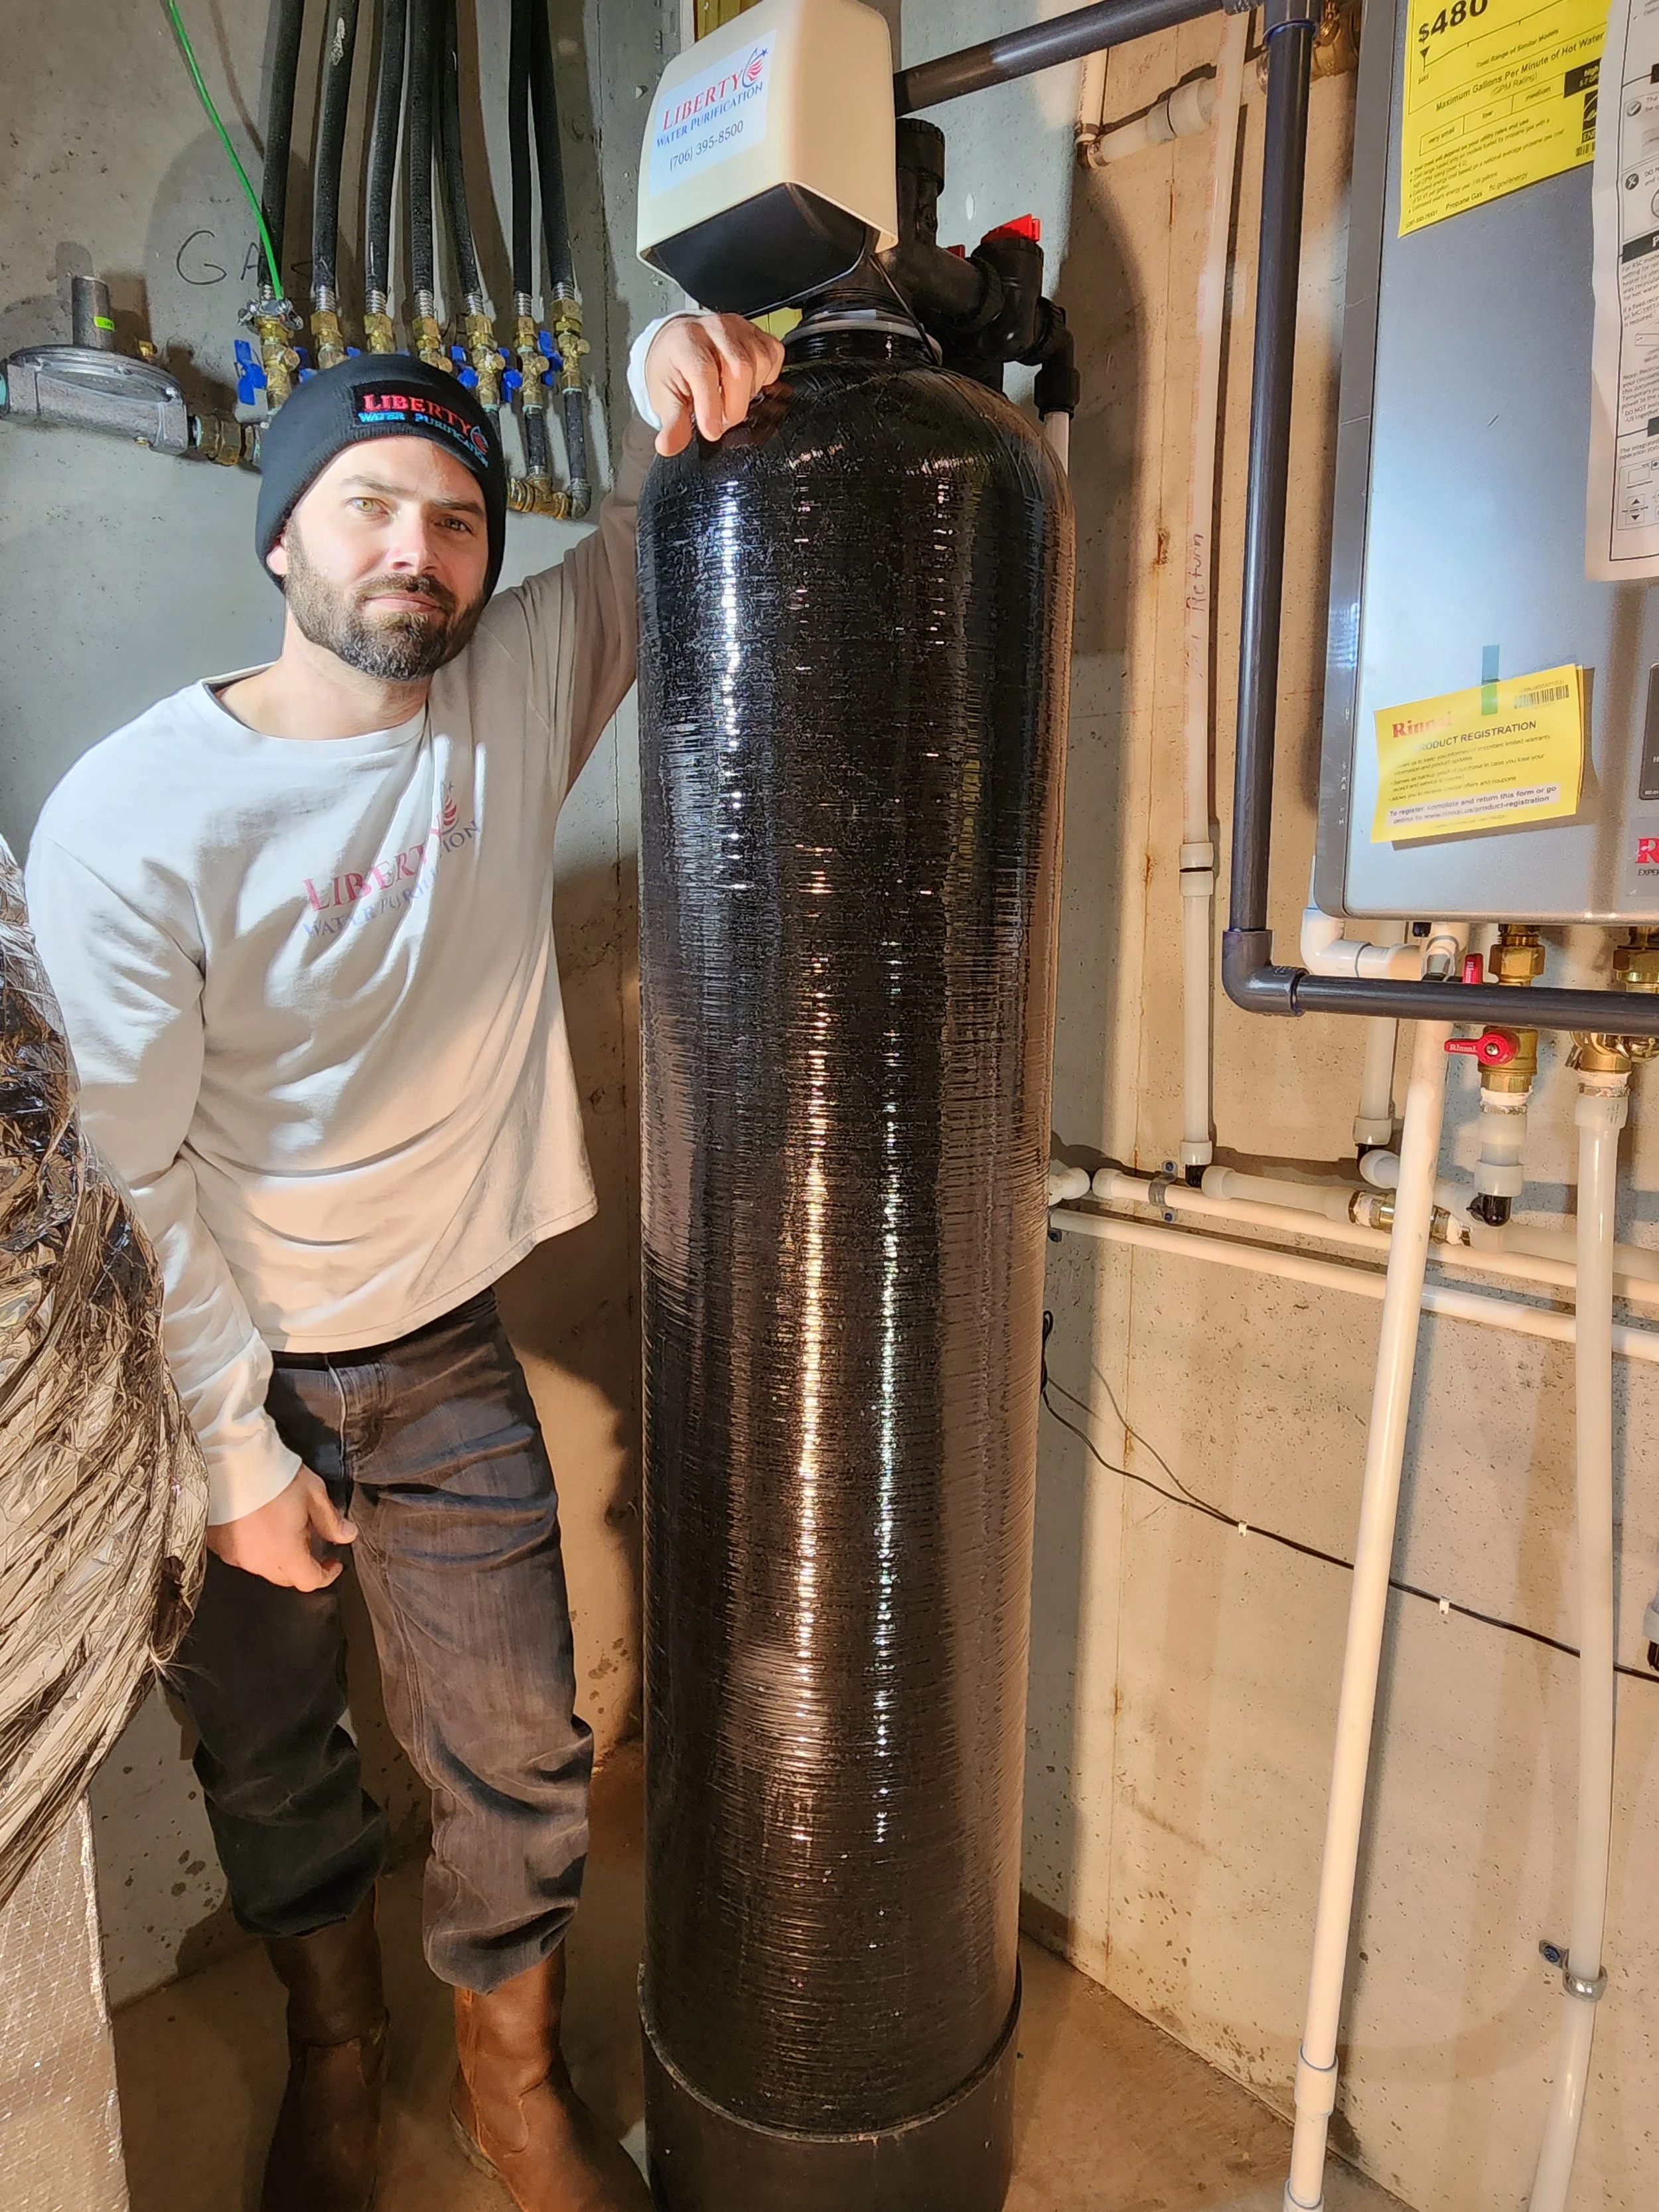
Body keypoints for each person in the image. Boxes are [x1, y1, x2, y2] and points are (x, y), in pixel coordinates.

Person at [25, 308, 784, 2212]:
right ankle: (337, 2054)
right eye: (368, 504)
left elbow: (650, 517)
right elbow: (128, 1171)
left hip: (439, 1345)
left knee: (518, 1737)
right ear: (282, 532)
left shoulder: (511, 686)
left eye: (455, 518)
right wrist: (234, 1458)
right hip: (224, 1361)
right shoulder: (133, 813)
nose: (416, 550)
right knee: (273, 1747)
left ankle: (512, 2087)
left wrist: (667, 362)